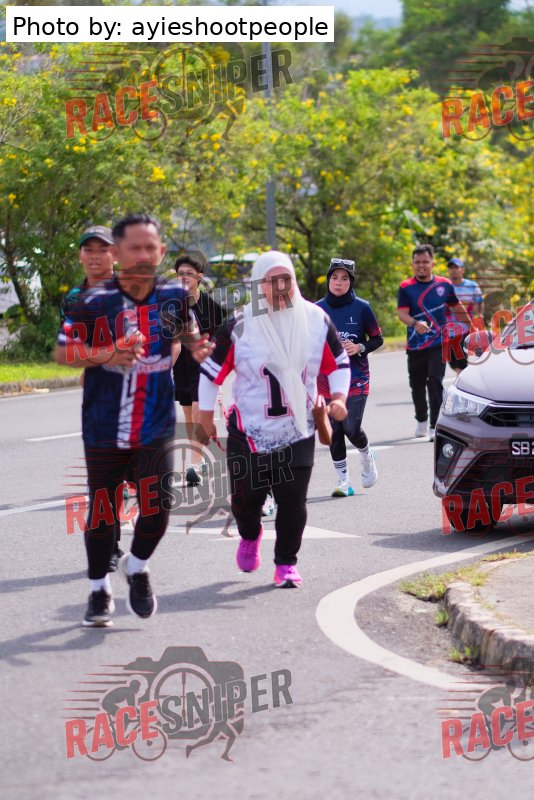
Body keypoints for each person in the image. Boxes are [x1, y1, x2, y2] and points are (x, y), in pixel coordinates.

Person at [55, 213, 213, 626]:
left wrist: (195, 346)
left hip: (154, 422)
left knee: (158, 507)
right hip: (104, 424)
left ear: (160, 252)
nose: (142, 255)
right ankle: (98, 590)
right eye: (133, 248)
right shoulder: (92, 300)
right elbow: (63, 352)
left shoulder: (173, 294)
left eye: (149, 248)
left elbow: (186, 328)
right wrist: (108, 354)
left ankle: (137, 566)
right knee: (103, 512)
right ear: (118, 252)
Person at [196, 250, 350, 588]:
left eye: (286, 279)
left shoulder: (316, 320)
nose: (280, 287)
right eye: (271, 281)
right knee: (246, 500)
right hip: (248, 431)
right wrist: (205, 417)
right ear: (258, 284)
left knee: (292, 499)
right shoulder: (239, 325)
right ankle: (250, 536)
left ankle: (286, 564)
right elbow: (210, 373)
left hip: (298, 429)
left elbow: (339, 363)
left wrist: (339, 398)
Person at [60, 226, 129, 572]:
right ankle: (108, 548)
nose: (96, 255)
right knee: (103, 483)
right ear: (80, 255)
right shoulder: (74, 300)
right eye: (88, 249)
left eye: (103, 249)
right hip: (100, 401)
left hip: (138, 397)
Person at [316, 257, 383, 496]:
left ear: (351, 282)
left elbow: (377, 338)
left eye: (344, 279)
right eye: (334, 277)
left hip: (356, 377)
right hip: (326, 380)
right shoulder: (317, 310)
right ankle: (343, 481)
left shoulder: (362, 307)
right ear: (328, 280)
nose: (338, 282)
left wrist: (359, 347)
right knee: (334, 430)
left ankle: (366, 454)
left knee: (351, 428)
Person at [397, 244, 471, 441]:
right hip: (415, 346)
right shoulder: (406, 287)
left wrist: (473, 329)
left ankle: (434, 424)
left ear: (432, 263)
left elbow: (457, 307)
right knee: (417, 386)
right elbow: (402, 313)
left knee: (435, 381)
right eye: (417, 262)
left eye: (425, 262)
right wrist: (415, 323)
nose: (421, 265)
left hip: (439, 343)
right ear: (412, 264)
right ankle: (421, 419)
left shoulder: (444, 284)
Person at [173, 254, 224, 487]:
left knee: (196, 413)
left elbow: (223, 339)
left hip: (204, 367)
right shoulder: (172, 306)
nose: (184, 278)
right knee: (188, 416)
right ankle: (200, 458)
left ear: (199, 277)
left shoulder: (212, 306)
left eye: (189, 274)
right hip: (180, 365)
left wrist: (218, 372)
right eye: (180, 274)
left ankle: (192, 466)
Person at [445, 257, 484, 374]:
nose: (453, 270)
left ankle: (463, 380)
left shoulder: (472, 286)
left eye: (456, 267)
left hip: (465, 329)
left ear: (462, 269)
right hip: (447, 331)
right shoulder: (444, 286)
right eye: (451, 268)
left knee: (461, 363)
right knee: (453, 363)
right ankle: (463, 375)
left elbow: (479, 302)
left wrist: (479, 317)